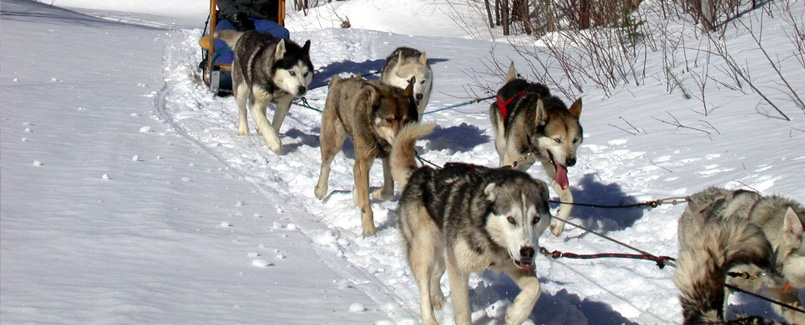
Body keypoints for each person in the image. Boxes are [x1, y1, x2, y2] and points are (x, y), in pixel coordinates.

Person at [212, 0, 291, 65]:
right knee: (222, 36)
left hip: (259, 20)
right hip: (231, 18)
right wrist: (235, 16)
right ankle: (228, 72)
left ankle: (268, 70)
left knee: (281, 34)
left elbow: (274, 7)